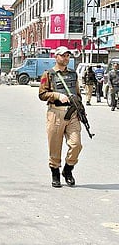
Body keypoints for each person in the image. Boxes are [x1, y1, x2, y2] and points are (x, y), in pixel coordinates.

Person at [38, 46, 82, 188]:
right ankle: (55, 173)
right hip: (56, 113)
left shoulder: (73, 74)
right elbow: (42, 94)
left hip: (72, 114)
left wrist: (81, 111)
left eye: (68, 56)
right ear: (56, 57)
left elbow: (78, 94)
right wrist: (57, 95)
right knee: (55, 147)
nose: (66, 58)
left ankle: (68, 170)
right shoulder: (49, 74)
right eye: (63, 56)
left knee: (76, 145)